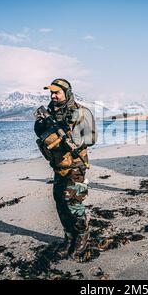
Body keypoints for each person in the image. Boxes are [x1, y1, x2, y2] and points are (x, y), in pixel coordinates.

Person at [34, 78, 97, 261]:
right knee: (60, 203)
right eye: (51, 93)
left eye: (57, 92)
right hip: (58, 165)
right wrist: (42, 124)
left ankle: (82, 237)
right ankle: (69, 238)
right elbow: (39, 132)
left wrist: (73, 139)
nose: (53, 96)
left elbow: (92, 137)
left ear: (67, 93)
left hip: (76, 165)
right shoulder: (49, 112)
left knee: (74, 203)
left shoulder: (82, 112)